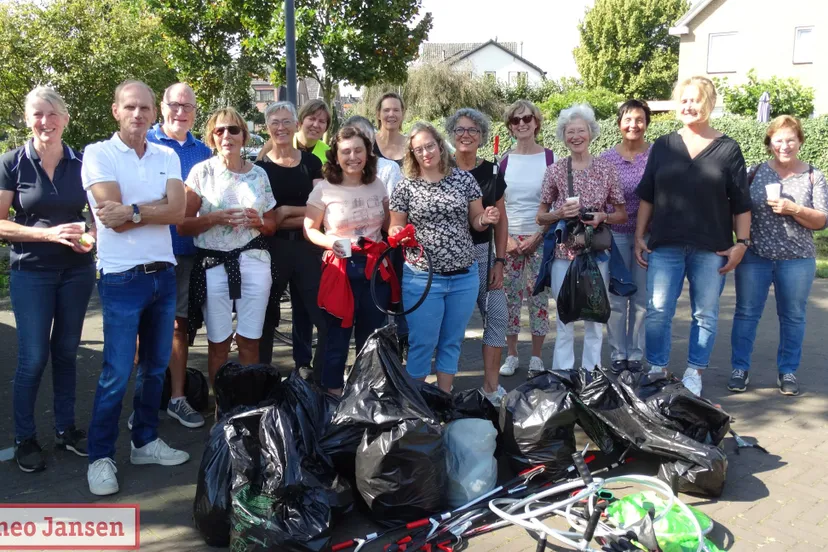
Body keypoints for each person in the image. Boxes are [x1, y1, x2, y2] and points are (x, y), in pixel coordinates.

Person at [82, 80, 189, 496]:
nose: (138, 114)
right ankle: (100, 456)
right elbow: (112, 221)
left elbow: (178, 212)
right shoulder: (99, 154)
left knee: (155, 368)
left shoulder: (167, 155)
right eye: (130, 107)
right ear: (116, 111)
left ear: (154, 113)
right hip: (121, 277)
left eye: (145, 107)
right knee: (116, 372)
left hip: (163, 273)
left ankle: (144, 441)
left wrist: (133, 209)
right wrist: (150, 210)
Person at [635, 76, 751, 397]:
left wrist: (742, 244)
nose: (688, 106)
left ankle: (694, 372)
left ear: (709, 104)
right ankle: (657, 369)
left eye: (695, 100)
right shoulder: (663, 146)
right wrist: (639, 235)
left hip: (711, 247)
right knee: (658, 311)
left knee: (705, 313)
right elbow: (648, 195)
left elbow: (741, 203)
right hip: (665, 244)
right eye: (683, 100)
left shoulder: (729, 149)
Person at [0, 87, 96, 473]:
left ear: (65, 119)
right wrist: (47, 235)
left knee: (66, 352)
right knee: (33, 357)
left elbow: (99, 218)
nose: (46, 121)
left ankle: (65, 429)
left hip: (77, 271)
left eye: (53, 113)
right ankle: (25, 438)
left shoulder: (83, 162)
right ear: (28, 119)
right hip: (31, 272)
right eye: (38, 114)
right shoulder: (12, 162)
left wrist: (90, 237)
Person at [390, 123, 500, 393]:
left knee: (451, 342)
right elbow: (394, 225)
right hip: (422, 277)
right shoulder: (405, 186)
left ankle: (443, 399)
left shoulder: (464, 180)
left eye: (429, 146)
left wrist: (485, 218)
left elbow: (476, 220)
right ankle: (416, 404)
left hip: (464, 276)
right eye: (418, 149)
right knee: (422, 343)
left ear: (440, 146)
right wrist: (397, 234)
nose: (425, 153)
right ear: (412, 154)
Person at [728, 115, 828, 396]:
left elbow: (822, 220)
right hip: (755, 256)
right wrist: (740, 240)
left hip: (797, 259)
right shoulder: (754, 172)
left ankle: (788, 371)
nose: (785, 146)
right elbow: (738, 210)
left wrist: (794, 209)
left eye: (790, 140)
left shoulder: (814, 176)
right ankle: (739, 369)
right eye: (778, 140)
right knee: (746, 314)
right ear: (770, 142)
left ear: (800, 142)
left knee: (793, 316)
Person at [178, 107, 278, 385]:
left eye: (233, 130)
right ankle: (222, 405)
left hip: (254, 261)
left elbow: (272, 225)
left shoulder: (259, 175)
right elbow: (183, 225)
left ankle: (248, 403)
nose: (226, 135)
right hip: (214, 264)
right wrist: (214, 218)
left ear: (243, 136)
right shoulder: (201, 173)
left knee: (249, 340)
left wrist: (259, 221)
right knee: (218, 342)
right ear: (211, 138)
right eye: (219, 130)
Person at [537, 104, 627, 372]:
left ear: (591, 133)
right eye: (570, 132)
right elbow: (540, 216)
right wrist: (559, 213)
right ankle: (563, 374)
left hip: (596, 253)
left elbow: (621, 214)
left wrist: (602, 217)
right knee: (564, 318)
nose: (576, 137)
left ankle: (592, 374)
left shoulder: (606, 169)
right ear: (563, 136)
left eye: (581, 131)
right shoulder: (555, 170)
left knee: (595, 319)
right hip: (563, 254)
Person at [143, 82, 211, 429]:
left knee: (178, 326)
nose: (181, 112)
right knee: (142, 328)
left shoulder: (204, 151)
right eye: (175, 105)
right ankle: (145, 401)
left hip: (186, 252)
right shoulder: (145, 143)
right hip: (145, 251)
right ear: (162, 106)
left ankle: (177, 398)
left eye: (188, 107)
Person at [305, 126, 391, 395]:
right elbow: (309, 229)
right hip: (340, 269)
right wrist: (330, 242)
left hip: (374, 269)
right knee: (337, 336)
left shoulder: (377, 184)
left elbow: (389, 225)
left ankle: (364, 394)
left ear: (368, 153)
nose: (352, 157)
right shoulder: (324, 189)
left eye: (358, 150)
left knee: (371, 336)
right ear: (335, 155)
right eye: (346, 151)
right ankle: (332, 394)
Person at [255, 101, 328, 381]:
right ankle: (263, 376)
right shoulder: (260, 169)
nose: (281, 127)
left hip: (308, 247)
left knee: (318, 313)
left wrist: (284, 212)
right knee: (266, 314)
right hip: (272, 248)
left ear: (296, 125)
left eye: (287, 121)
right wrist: (302, 215)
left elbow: (323, 210)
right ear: (267, 128)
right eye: (275, 122)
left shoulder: (312, 163)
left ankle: (314, 375)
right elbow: (266, 219)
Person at [445, 108, 509, 405]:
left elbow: (502, 221)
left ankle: (491, 387)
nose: (466, 135)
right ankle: (443, 389)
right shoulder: (441, 169)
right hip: (448, 259)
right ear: (451, 134)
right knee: (448, 325)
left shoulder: (492, 171)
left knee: (497, 316)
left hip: (484, 255)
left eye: (473, 130)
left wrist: (500, 261)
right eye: (460, 129)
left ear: (482, 136)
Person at [498, 100, 555, 378]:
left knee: (538, 298)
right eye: (515, 120)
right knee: (508, 299)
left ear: (536, 123)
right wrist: (506, 239)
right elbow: (498, 204)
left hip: (539, 237)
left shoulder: (550, 158)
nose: (521, 123)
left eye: (527, 118)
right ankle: (511, 355)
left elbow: (555, 202)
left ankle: (536, 357)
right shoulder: (504, 161)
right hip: (509, 239)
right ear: (510, 126)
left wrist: (538, 235)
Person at [600, 100, 652, 373]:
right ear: (619, 123)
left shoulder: (656, 156)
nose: (634, 125)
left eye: (639, 119)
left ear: (647, 123)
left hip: (648, 236)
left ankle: (636, 354)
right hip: (616, 234)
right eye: (628, 119)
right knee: (617, 298)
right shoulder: (606, 159)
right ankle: (618, 354)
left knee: (642, 299)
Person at [342, 115, 404, 196]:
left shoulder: (389, 168)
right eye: (352, 137)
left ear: (373, 139)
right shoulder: (339, 169)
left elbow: (394, 202)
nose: (359, 142)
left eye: (364, 136)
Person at [256, 99, 332, 164]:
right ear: (300, 121)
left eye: (322, 121)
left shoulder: (329, 154)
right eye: (312, 119)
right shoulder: (277, 142)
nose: (316, 125)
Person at [374, 92, 407, 166]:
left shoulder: (411, 145)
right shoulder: (368, 145)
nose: (391, 114)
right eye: (386, 110)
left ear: (402, 114)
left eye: (396, 110)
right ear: (378, 114)